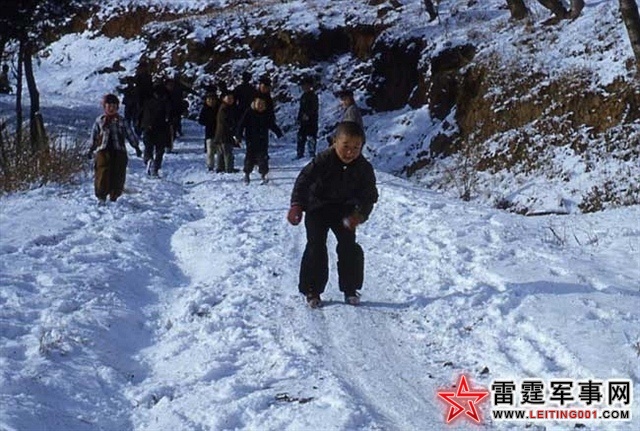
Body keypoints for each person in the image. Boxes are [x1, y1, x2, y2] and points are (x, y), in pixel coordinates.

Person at [287, 121, 379, 308]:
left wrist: (359, 215)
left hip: (345, 210)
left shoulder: (364, 168)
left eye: (356, 148)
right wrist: (296, 205)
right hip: (317, 207)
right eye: (345, 146)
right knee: (316, 246)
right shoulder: (323, 160)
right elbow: (303, 181)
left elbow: (369, 196)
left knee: (349, 247)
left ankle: (350, 288)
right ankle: (312, 289)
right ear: (334, 142)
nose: (350, 152)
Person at [88, 94, 142, 203]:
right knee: (102, 172)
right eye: (109, 106)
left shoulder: (121, 121)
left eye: (114, 106)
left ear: (117, 107)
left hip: (119, 151)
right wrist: (91, 149)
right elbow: (94, 136)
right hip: (103, 151)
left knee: (118, 173)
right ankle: (101, 195)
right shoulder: (100, 120)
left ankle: (114, 195)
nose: (111, 109)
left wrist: (136, 146)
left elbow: (130, 134)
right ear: (104, 107)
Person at [236, 96, 283, 184]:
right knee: (249, 158)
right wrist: (238, 135)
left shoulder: (266, 114)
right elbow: (241, 125)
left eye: (262, 104)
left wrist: (278, 132)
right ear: (254, 103)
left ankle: (263, 174)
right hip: (251, 140)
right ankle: (247, 174)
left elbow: (271, 124)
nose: (260, 106)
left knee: (263, 159)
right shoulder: (249, 112)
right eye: (259, 103)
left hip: (263, 140)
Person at [139, 83, 172, 177]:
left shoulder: (147, 102)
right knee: (159, 150)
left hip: (148, 127)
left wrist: (141, 126)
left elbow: (141, 114)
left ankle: (149, 161)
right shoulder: (166, 103)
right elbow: (169, 117)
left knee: (148, 147)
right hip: (161, 128)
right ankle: (155, 167)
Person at [213, 89, 239, 173]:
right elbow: (225, 121)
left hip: (220, 134)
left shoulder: (226, 107)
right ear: (223, 98)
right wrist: (232, 127)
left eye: (232, 98)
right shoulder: (224, 108)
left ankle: (220, 167)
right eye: (228, 98)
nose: (231, 100)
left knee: (221, 152)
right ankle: (229, 168)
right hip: (225, 134)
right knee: (227, 152)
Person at [296, 76, 319, 159]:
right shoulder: (303, 96)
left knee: (311, 137)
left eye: (305, 85)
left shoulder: (313, 96)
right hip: (303, 121)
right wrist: (299, 118)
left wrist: (308, 115)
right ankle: (300, 153)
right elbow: (301, 109)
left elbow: (314, 109)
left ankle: (311, 153)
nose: (303, 87)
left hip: (312, 121)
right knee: (300, 137)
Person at [198, 91, 220, 170]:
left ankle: (220, 165)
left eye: (213, 99)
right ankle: (210, 166)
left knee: (219, 151)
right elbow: (200, 120)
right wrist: (208, 122)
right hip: (209, 132)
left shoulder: (219, 108)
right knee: (210, 151)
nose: (211, 101)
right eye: (209, 100)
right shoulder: (205, 109)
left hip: (219, 132)